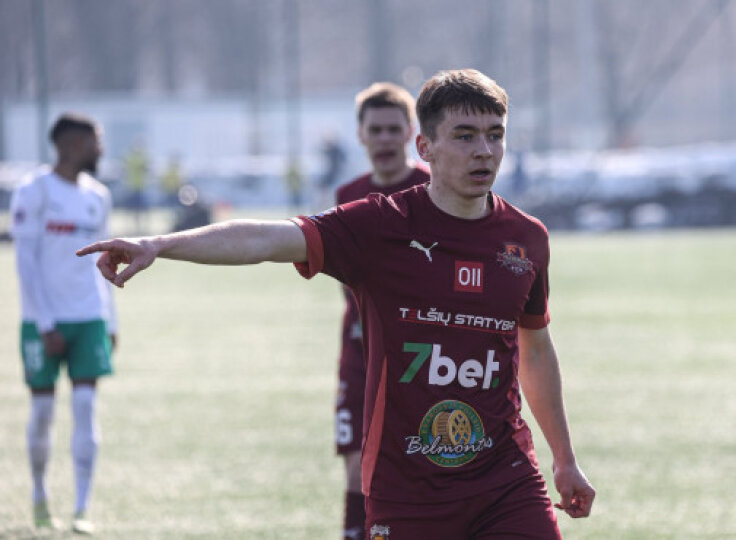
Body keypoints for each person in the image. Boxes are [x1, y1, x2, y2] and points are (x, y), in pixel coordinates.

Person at [78, 69, 595, 539]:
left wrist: (564, 459)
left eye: (495, 135)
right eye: (464, 136)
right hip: (408, 488)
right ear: (426, 146)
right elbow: (265, 239)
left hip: (506, 480)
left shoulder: (526, 239)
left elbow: (535, 350)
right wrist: (160, 245)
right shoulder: (379, 225)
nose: (483, 150)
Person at [10, 113, 117, 535]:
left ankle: (81, 508)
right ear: (73, 145)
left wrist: (110, 319)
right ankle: (40, 497)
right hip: (44, 320)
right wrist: (44, 323)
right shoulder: (33, 191)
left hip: (89, 316)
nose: (100, 149)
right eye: (96, 141)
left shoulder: (98, 196)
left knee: (86, 406)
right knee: (42, 411)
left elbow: (106, 262)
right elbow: (25, 263)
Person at [334, 81, 429, 540]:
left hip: (422, 351)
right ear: (361, 135)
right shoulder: (348, 194)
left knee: (421, 461)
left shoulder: (433, 187)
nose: (385, 139)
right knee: (357, 462)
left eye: (394, 129)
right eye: (376, 130)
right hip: (360, 348)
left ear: (412, 132)